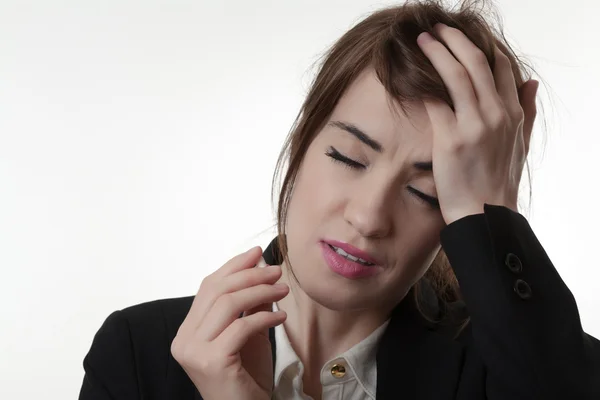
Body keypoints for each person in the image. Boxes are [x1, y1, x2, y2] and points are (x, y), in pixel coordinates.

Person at [78, 1, 600, 399]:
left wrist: (491, 218)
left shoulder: (505, 368)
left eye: (428, 191)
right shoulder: (138, 353)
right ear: (302, 141)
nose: (368, 217)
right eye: (349, 158)